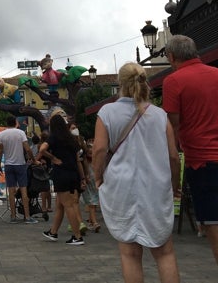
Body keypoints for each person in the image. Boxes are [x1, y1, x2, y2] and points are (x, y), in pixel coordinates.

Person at [93, 62, 180, 281]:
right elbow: (172, 155)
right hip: (156, 186)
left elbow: (100, 150)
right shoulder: (160, 115)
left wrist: (98, 177)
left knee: (130, 254)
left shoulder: (107, 112)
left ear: (120, 84)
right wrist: (174, 185)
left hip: (121, 186)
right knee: (165, 252)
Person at [162, 34, 218, 264]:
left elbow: (172, 126)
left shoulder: (174, 81)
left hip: (202, 160)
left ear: (172, 57)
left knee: (213, 224)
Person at [40, 114, 85, 245]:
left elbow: (42, 149)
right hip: (73, 174)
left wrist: (53, 158)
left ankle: (77, 236)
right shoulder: (71, 139)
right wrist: (82, 178)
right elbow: (78, 160)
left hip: (61, 174)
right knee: (60, 205)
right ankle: (53, 232)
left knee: (68, 205)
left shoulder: (54, 138)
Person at [0, 115, 38, 224]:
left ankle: (13, 216)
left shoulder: (2, 134)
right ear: (15, 122)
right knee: (24, 190)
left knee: (11, 191)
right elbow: (28, 149)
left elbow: (0, 150)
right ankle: (27, 216)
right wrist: (33, 159)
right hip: (20, 164)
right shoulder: (20, 133)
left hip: (8, 165)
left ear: (6, 123)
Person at [82, 140, 100, 233]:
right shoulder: (85, 162)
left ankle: (90, 221)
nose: (91, 154)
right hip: (89, 185)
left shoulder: (96, 161)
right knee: (92, 203)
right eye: (89, 152)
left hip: (94, 185)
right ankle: (95, 223)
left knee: (93, 203)